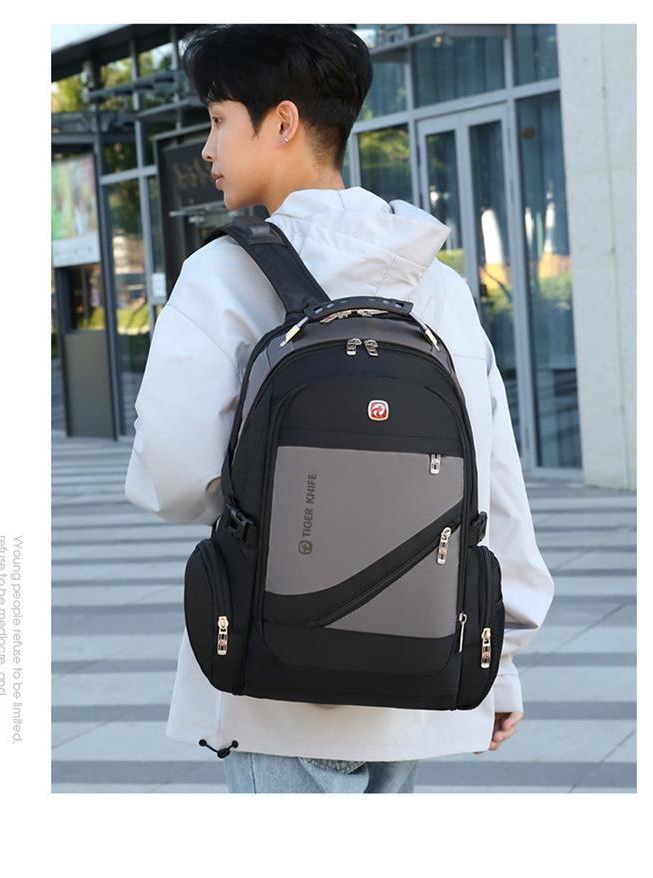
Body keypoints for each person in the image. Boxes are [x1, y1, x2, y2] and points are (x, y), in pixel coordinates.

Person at [124, 24, 554, 794]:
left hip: (272, 678)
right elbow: (493, 484)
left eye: (218, 119)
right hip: (420, 668)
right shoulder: (437, 284)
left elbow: (175, 480)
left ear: (282, 122)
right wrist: (501, 662)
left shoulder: (220, 276)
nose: (208, 149)